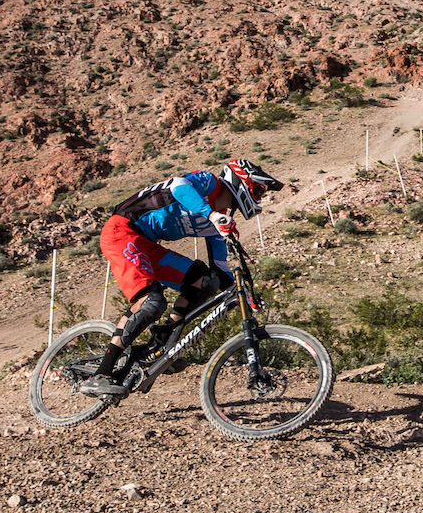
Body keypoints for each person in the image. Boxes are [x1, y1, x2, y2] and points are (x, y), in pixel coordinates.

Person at [79, 158, 284, 396]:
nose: (258, 198)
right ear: (241, 181)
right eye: (257, 191)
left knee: (205, 281)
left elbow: (220, 268)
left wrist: (243, 295)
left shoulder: (218, 220)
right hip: (122, 231)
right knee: (151, 303)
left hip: (147, 244)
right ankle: (100, 374)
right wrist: (210, 214)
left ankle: (158, 347)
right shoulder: (209, 183)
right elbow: (178, 186)